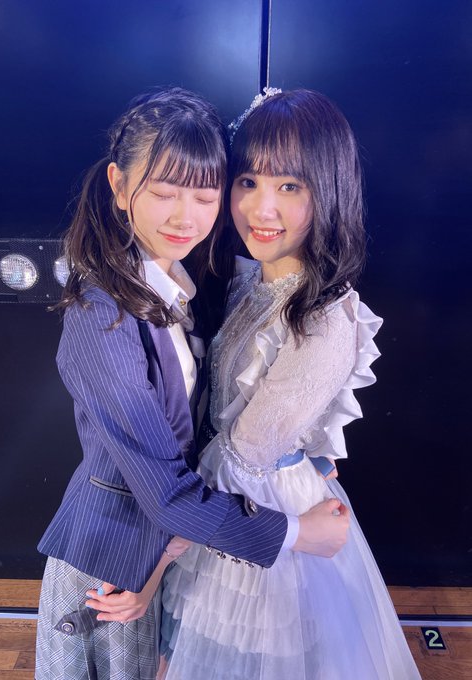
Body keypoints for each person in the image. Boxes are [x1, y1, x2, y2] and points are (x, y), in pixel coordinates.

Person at [35, 87, 351, 680]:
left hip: (171, 541)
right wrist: (296, 533)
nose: (186, 217)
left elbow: (217, 406)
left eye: (205, 196)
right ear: (119, 186)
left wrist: (300, 449)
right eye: (163, 193)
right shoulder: (102, 319)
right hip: (110, 556)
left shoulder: (184, 282)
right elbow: (167, 491)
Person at [154, 88, 422, 679]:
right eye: (248, 181)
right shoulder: (252, 276)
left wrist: (167, 545)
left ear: (329, 190)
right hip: (232, 496)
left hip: (262, 512)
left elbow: (245, 455)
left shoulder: (322, 319)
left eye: (290, 186)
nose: (261, 208)